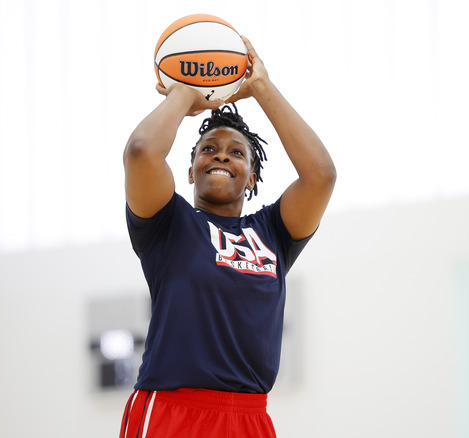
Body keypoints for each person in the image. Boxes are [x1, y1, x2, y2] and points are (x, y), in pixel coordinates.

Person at [119, 35, 336, 438]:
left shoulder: (273, 232)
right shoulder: (168, 223)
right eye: (209, 149)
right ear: (190, 171)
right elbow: (142, 152)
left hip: (249, 417)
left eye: (237, 152)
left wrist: (260, 87)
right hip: (171, 411)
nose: (221, 155)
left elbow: (321, 175)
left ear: (252, 178)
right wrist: (185, 93)